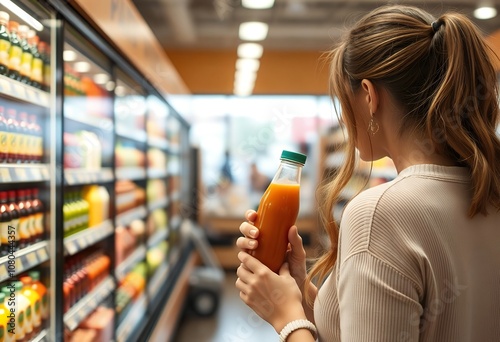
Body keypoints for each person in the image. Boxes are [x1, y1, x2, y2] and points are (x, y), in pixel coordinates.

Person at [235, 5, 500, 342]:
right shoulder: (489, 192)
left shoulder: (380, 214)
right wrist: (300, 289)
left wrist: (287, 320)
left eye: (345, 101)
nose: (345, 118)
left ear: (370, 96)